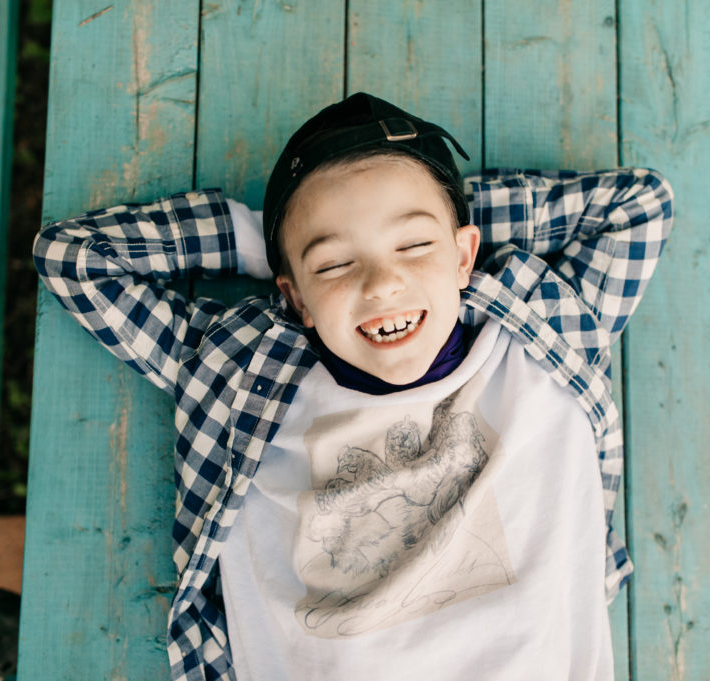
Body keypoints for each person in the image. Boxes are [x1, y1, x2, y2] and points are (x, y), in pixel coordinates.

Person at [33, 92, 674, 681]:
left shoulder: (542, 334)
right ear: (295, 298)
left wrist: (427, 225)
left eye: (415, 244)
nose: (380, 284)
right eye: (335, 263)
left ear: (462, 254)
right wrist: (272, 242)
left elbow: (639, 206)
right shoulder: (240, 377)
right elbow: (77, 259)